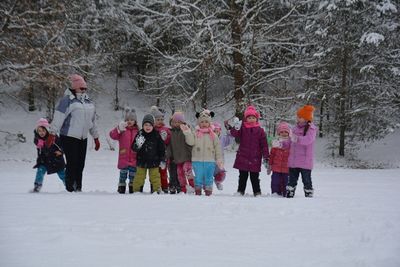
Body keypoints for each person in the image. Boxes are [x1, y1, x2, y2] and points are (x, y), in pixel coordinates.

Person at [49, 74, 100, 192]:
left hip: (83, 138)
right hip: (69, 137)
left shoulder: (88, 101)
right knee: (72, 163)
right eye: (81, 88)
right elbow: (59, 117)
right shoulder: (67, 100)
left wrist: (96, 137)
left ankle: (78, 187)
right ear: (75, 88)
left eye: (85, 88)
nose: (83, 90)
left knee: (80, 164)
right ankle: (70, 187)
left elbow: (92, 121)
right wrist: (52, 133)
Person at [227, 105, 269, 196]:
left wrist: (266, 156)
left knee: (255, 177)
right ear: (246, 119)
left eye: (253, 117)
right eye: (249, 117)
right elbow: (234, 134)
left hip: (255, 157)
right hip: (243, 156)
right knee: (242, 176)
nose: (251, 119)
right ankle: (240, 191)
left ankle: (257, 192)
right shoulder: (242, 128)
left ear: (256, 119)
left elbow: (264, 145)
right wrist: (236, 127)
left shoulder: (260, 131)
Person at [182, 110, 223, 196]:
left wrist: (219, 159)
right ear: (199, 123)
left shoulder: (213, 135)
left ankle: (208, 190)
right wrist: (187, 133)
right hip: (197, 160)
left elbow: (218, 148)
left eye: (206, 122)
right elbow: (190, 142)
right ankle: (198, 190)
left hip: (210, 160)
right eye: (202, 122)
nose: (204, 124)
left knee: (209, 176)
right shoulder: (195, 133)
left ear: (209, 123)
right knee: (198, 176)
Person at [287, 105, 318, 198]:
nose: (298, 118)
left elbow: (308, 140)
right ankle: (290, 192)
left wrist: (297, 139)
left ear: (306, 118)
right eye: (298, 116)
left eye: (300, 117)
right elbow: (289, 141)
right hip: (293, 161)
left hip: (305, 162)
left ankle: (308, 193)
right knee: (292, 179)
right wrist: (281, 144)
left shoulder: (311, 129)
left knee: (306, 180)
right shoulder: (294, 128)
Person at [131, 114, 166, 193]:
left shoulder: (156, 135)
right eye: (146, 125)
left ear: (153, 126)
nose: (148, 127)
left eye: (150, 125)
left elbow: (162, 148)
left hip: (154, 161)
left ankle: (156, 190)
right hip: (141, 161)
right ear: (143, 125)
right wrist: (137, 144)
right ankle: (137, 190)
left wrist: (162, 159)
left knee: (155, 177)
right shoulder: (140, 134)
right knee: (139, 177)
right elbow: (133, 148)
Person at [109, 107, 139, 194]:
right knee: (123, 174)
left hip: (134, 157)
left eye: (132, 119)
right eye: (128, 119)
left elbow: (142, 143)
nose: (130, 121)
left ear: (135, 121)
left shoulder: (138, 131)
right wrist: (118, 128)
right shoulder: (122, 130)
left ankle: (132, 186)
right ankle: (121, 186)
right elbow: (112, 135)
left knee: (133, 174)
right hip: (124, 157)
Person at [32, 118, 65, 192]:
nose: (41, 133)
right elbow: (40, 149)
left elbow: (62, 145)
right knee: (40, 171)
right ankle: (37, 185)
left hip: (56, 159)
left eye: (43, 130)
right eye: (39, 131)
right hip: (44, 160)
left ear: (47, 130)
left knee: (62, 174)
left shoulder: (53, 137)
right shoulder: (37, 139)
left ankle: (69, 186)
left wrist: (61, 151)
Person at [166, 111, 195, 194]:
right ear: (171, 122)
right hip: (177, 159)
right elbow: (169, 146)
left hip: (187, 157)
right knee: (180, 174)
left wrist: (187, 132)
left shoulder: (185, 130)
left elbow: (191, 141)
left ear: (182, 122)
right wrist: (168, 155)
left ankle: (193, 186)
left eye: (179, 122)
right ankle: (183, 188)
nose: (176, 124)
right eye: (174, 122)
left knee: (187, 170)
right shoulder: (170, 132)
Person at [150, 106, 171, 193]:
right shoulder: (151, 129)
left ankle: (165, 186)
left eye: (161, 119)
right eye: (158, 119)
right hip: (153, 155)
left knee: (163, 172)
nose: (160, 121)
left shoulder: (166, 129)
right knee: (154, 172)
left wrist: (165, 137)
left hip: (163, 155)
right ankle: (154, 187)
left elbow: (169, 140)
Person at [268, 122, 291, 196]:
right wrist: (270, 165)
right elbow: (272, 155)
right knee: (275, 181)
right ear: (278, 133)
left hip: (287, 168)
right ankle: (275, 193)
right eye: (282, 132)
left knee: (286, 182)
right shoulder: (275, 143)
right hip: (276, 167)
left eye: (285, 132)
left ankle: (285, 193)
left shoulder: (291, 143)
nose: (284, 133)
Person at [212, 121, 234, 190]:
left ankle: (217, 182)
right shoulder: (207, 138)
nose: (215, 133)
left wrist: (229, 130)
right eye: (214, 131)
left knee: (222, 174)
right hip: (209, 162)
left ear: (220, 131)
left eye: (217, 131)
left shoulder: (222, 139)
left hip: (219, 162)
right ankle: (207, 187)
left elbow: (230, 140)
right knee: (207, 176)